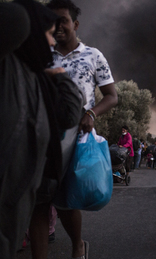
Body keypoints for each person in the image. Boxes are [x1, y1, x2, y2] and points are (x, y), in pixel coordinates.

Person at [29, 1, 118, 258]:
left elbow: (112, 96)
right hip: (42, 136)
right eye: (51, 22)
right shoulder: (40, 53)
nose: (57, 27)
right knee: (39, 202)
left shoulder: (93, 55)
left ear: (75, 24)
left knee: (67, 200)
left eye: (63, 21)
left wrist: (91, 113)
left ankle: (77, 244)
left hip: (75, 138)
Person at [0, 1, 83, 258]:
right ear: (30, 31)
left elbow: (69, 114)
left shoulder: (36, 77)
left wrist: (59, 76)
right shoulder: (7, 71)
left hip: (18, 201)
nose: (52, 42)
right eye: (47, 33)